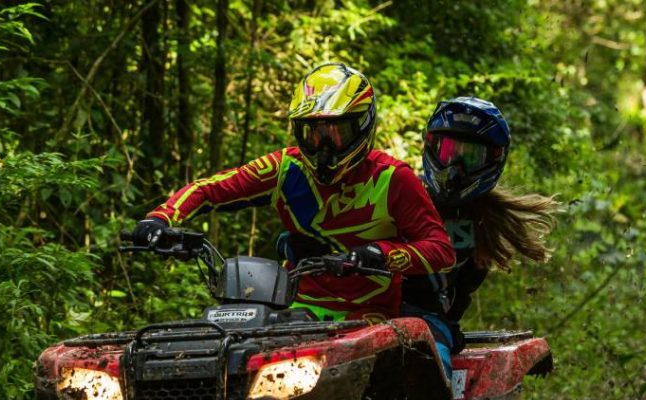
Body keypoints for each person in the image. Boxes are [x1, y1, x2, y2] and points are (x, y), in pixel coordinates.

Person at [133, 63, 454, 322]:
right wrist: (160, 219)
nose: (324, 148)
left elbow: (441, 249)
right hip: (293, 307)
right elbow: (209, 189)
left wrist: (381, 255)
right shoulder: (285, 167)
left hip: (368, 315)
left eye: (336, 134)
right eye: (313, 134)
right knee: (231, 338)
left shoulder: (392, 178)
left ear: (362, 126)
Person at [400, 96, 558, 377]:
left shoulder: (485, 220)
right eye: (449, 151)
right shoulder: (400, 195)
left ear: (492, 159)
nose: (456, 167)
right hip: (370, 313)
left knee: (431, 377)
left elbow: (462, 290)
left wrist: (446, 321)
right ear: (431, 145)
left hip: (427, 327)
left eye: (469, 157)